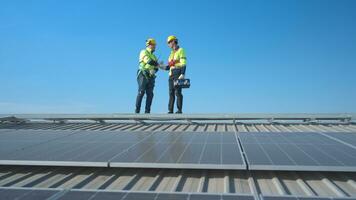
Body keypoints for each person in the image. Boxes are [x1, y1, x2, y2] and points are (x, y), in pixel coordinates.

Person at [163, 35, 187, 114]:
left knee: (178, 92)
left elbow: (183, 62)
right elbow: (168, 67)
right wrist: (160, 66)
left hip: (178, 72)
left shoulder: (181, 50)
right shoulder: (171, 54)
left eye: (169, 42)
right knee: (171, 92)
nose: (168, 44)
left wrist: (182, 73)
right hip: (171, 74)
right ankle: (170, 110)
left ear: (173, 41)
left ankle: (179, 110)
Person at [135, 38, 160, 114]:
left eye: (155, 45)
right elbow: (148, 61)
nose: (154, 46)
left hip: (151, 76)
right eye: (153, 45)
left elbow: (156, 68)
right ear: (149, 45)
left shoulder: (154, 56)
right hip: (143, 74)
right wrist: (158, 64)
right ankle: (137, 111)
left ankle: (147, 112)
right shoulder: (143, 52)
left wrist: (155, 70)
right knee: (141, 91)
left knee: (150, 94)